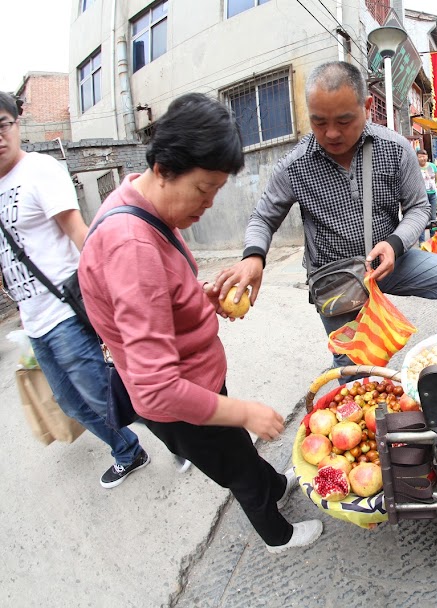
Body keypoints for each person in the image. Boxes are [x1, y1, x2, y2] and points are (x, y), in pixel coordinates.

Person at [79, 93, 321, 553]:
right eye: (203, 190)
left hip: (200, 379)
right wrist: (246, 412)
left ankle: (273, 486)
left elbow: (150, 301)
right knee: (237, 469)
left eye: (215, 192)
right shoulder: (131, 247)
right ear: (164, 168)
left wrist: (197, 297)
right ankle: (278, 535)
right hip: (180, 402)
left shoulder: (139, 198)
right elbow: (156, 388)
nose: (208, 205)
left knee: (238, 453)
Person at [213, 61, 437, 372]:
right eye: (319, 122)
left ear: (367, 106)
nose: (332, 133)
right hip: (334, 277)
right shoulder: (295, 165)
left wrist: (394, 244)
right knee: (351, 365)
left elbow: (418, 207)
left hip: (390, 261)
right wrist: (253, 257)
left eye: (344, 121)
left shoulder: (396, 149)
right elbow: (263, 218)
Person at [0, 91, 150, 489]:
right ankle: (128, 450)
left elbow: (80, 234)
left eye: (2, 125)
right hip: (33, 321)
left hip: (65, 309)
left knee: (105, 393)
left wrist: (115, 293)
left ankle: (182, 436)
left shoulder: (39, 171)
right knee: (69, 401)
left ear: (17, 124)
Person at [416, 149, 437, 243]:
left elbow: (435, 178)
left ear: (427, 156)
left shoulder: (432, 166)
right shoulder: (415, 167)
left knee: (433, 218)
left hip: (432, 194)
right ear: (416, 157)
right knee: (422, 218)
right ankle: (422, 241)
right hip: (420, 196)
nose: (422, 158)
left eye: (424, 156)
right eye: (420, 156)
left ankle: (433, 239)